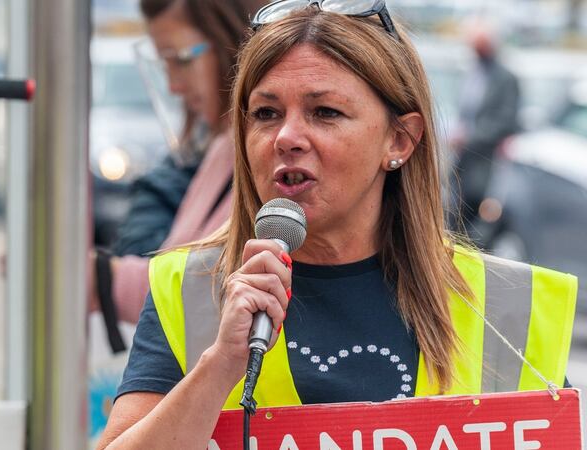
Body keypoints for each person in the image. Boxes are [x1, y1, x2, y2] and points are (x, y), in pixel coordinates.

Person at [97, 2, 577, 448]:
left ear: (401, 140)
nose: (287, 137)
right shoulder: (193, 289)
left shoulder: (510, 302)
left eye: (324, 112)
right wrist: (220, 365)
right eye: (265, 113)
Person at [92, 0, 269, 330]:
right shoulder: (222, 147)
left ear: (237, 40)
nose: (173, 85)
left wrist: (105, 277)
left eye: (182, 60)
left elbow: (211, 293)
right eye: (164, 65)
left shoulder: (270, 157)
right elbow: (182, 273)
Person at [449, 20, 520, 239]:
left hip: (488, 164)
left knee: (480, 227)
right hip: (463, 162)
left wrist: (468, 137)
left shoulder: (505, 78)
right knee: (455, 220)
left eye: (479, 46)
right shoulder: (473, 74)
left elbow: (505, 121)